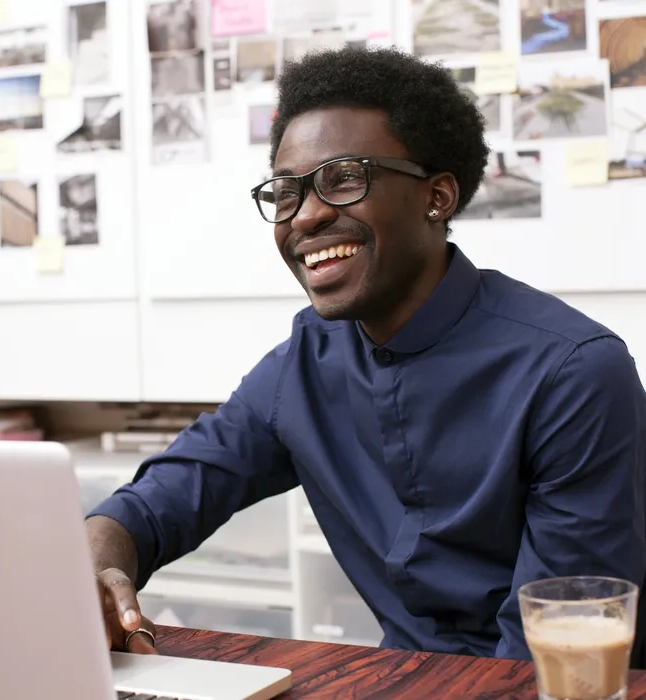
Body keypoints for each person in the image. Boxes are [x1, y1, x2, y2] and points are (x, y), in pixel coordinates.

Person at [87, 46, 646, 664]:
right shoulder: (303, 362)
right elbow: (168, 494)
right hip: (403, 676)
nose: (307, 216)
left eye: (344, 178)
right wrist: (98, 559)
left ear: (437, 196)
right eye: (287, 191)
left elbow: (559, 640)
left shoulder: (574, 373)